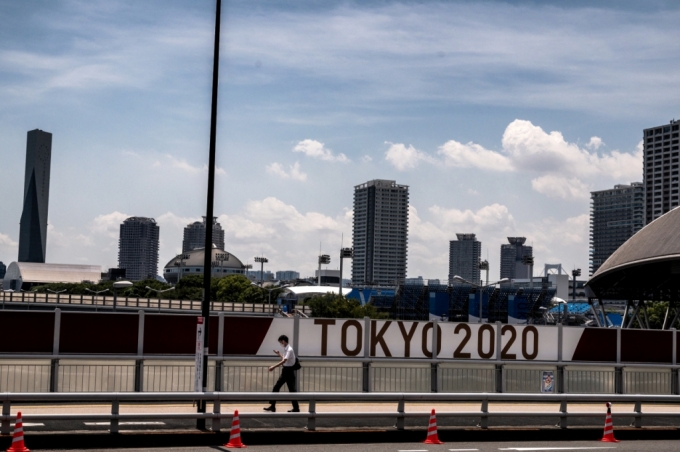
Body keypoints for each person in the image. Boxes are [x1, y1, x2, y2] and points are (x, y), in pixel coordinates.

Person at [263, 334, 300, 413]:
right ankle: (273, 406)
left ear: (283, 341)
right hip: (286, 371)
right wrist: (279, 354)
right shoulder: (286, 349)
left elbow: (284, 361)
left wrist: (273, 367)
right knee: (277, 387)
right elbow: (284, 359)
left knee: (292, 391)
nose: (281, 344)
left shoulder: (289, 349)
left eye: (281, 342)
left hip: (289, 372)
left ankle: (296, 408)